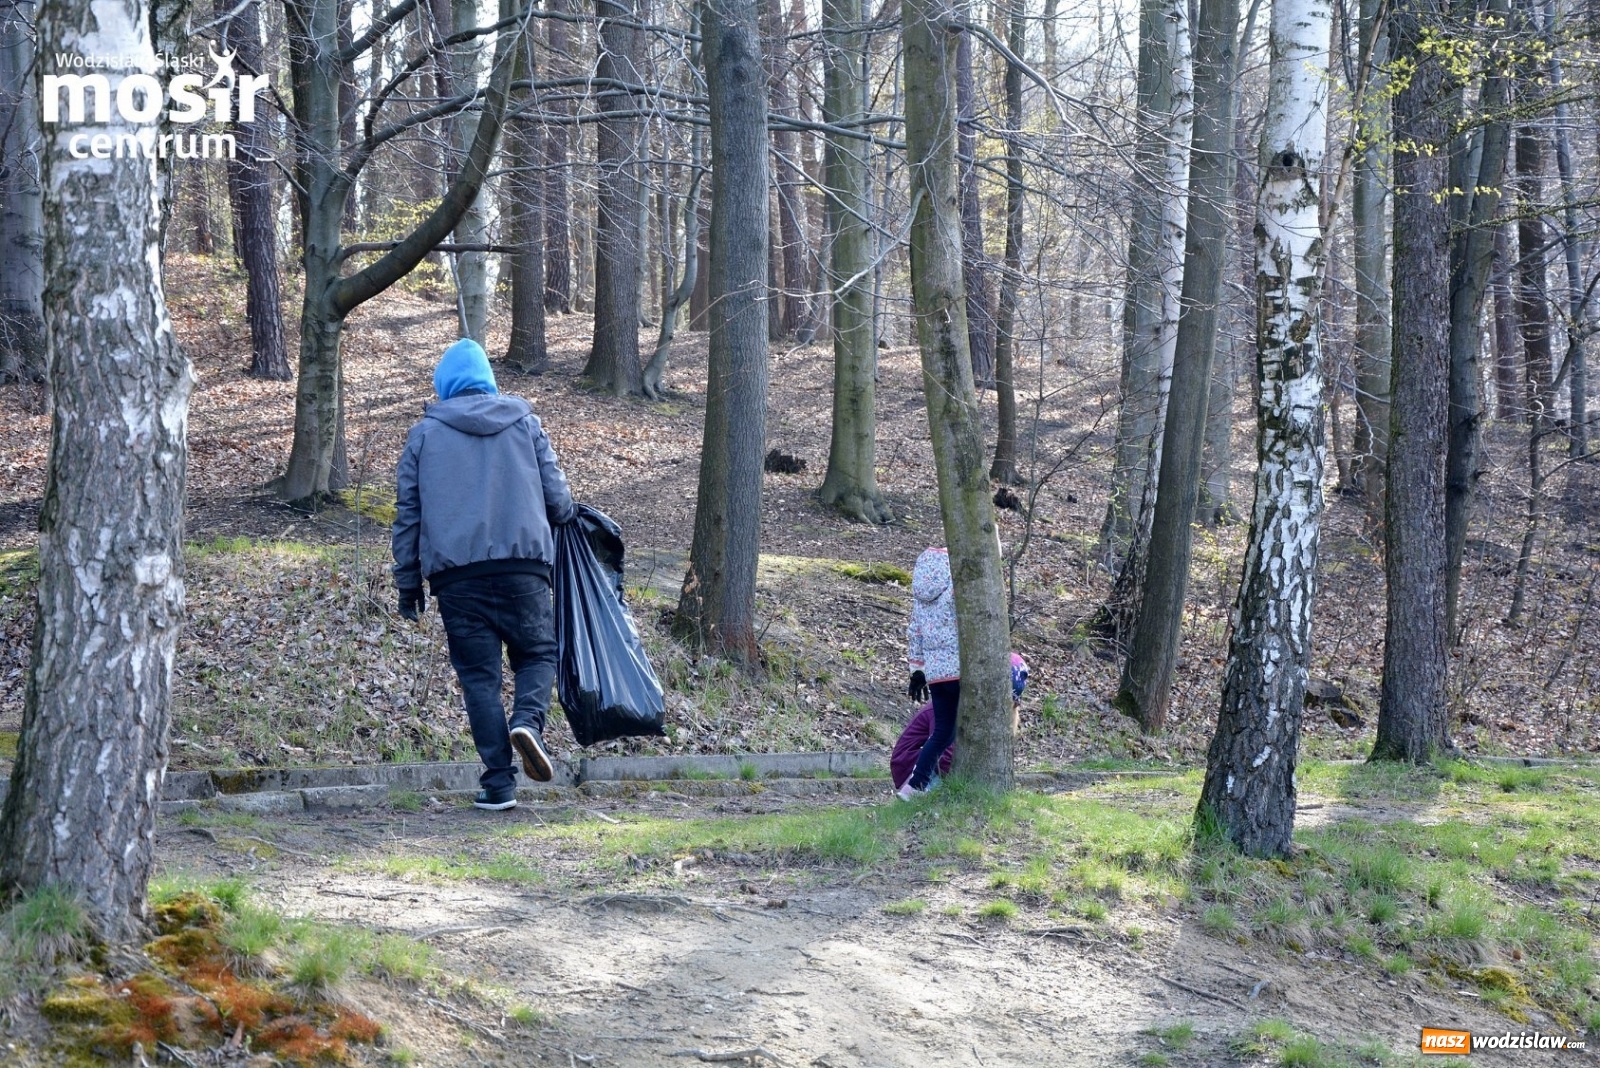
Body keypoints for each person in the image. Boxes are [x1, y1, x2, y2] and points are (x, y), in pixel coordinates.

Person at [391, 338, 576, 811]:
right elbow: (559, 502)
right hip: (524, 571)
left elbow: (408, 516)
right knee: (537, 653)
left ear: (444, 385)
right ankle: (528, 724)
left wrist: (408, 583)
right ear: (489, 380)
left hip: (457, 581)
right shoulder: (525, 424)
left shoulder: (424, 435)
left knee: (479, 678)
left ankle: (498, 783)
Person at [890, 653, 1028, 793]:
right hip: (910, 764)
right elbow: (943, 753)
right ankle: (918, 795)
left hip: (938, 765)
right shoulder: (947, 708)